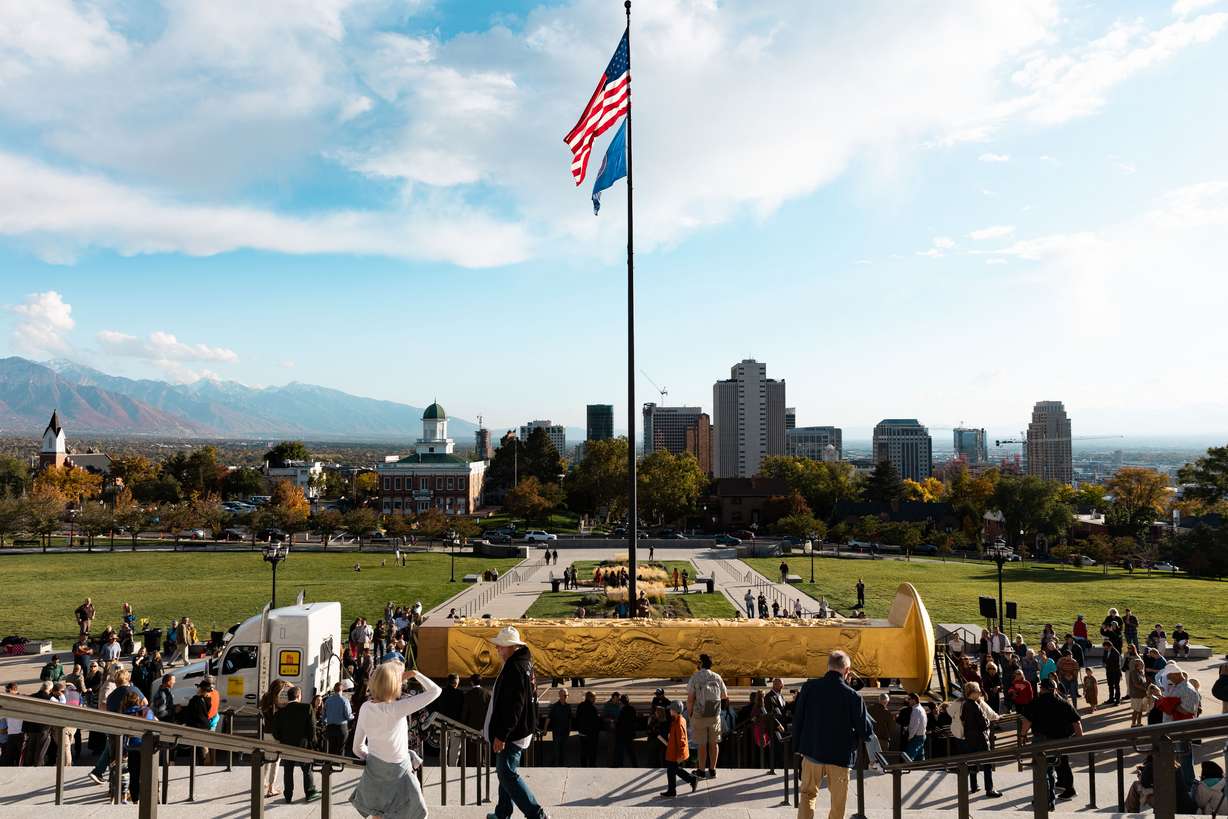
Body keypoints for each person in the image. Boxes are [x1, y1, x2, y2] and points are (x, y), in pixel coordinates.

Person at [350, 661, 440, 819]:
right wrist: (415, 674)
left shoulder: (365, 707)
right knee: (416, 813)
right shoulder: (396, 709)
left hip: (375, 771)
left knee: (378, 814)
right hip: (400, 772)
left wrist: (374, 759)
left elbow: (357, 748)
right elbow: (435, 691)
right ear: (392, 685)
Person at [792, 650, 874, 819]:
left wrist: (797, 747)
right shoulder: (853, 696)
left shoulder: (809, 688)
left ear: (828, 666)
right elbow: (865, 730)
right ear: (847, 670)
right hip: (840, 757)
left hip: (812, 752)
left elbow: (798, 719)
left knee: (807, 795)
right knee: (838, 803)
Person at [484, 626, 547, 819]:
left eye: (501, 646)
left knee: (506, 773)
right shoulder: (523, 663)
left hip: (512, 733)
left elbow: (514, 707)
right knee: (506, 772)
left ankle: (537, 814)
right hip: (518, 729)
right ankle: (503, 812)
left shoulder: (515, 668)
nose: (498, 650)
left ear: (511, 647)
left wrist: (502, 734)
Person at [1021, 677, 1082, 809]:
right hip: (1061, 740)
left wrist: (1022, 735)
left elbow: (1027, 721)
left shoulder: (1036, 702)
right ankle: (1067, 790)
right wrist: (1080, 739)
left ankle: (1046, 799)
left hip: (1041, 741)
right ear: (1054, 689)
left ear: (1042, 689)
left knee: (1043, 770)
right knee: (1060, 765)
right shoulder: (1063, 702)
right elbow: (1076, 722)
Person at [272, 686, 320, 803]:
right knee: (307, 770)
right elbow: (312, 728)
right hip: (303, 745)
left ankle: (288, 795)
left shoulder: (280, 712)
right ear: (298, 696)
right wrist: (313, 744)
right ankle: (309, 792)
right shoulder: (307, 708)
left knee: (288, 770)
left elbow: (275, 732)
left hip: (286, 746)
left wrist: (282, 739)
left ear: (288, 697)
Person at [687, 653, 728, 779]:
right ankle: (712, 769)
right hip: (714, 714)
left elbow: (690, 699)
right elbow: (724, 696)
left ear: (700, 664)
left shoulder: (695, 677)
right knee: (714, 743)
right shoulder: (717, 677)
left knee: (702, 744)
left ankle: (701, 770)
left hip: (699, 715)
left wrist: (690, 714)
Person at [960, 682, 1001, 798]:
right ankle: (990, 788)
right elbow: (984, 724)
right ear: (972, 693)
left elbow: (962, 719)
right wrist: (988, 721)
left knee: (973, 761)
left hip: (969, 737)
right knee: (987, 763)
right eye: (978, 691)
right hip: (980, 738)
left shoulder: (965, 704)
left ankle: (973, 785)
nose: (979, 693)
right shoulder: (975, 706)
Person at [658, 701, 699, 798]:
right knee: (672, 770)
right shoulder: (678, 719)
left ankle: (690, 781)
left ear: (675, 711)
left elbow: (682, 740)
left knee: (673, 769)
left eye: (671, 709)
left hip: (675, 752)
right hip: (673, 751)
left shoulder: (678, 722)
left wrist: (681, 755)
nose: (669, 711)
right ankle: (673, 790)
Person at [322, 682, 353, 758]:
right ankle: (338, 765)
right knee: (341, 748)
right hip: (341, 727)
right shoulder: (345, 701)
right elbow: (348, 716)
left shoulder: (328, 701)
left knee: (331, 748)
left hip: (330, 727)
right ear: (342, 690)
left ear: (334, 690)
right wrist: (353, 716)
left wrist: (325, 722)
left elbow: (324, 716)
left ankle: (330, 764)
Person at [545, 689, 571, 765]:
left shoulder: (568, 706)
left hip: (565, 732)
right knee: (556, 750)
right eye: (565, 695)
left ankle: (561, 765)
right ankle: (553, 764)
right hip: (557, 731)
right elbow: (548, 718)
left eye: (567, 695)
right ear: (560, 696)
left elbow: (569, 719)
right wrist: (545, 729)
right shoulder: (555, 706)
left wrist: (569, 729)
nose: (566, 697)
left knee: (563, 750)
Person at [575, 691, 601, 767]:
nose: (595, 699)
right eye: (594, 697)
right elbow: (596, 722)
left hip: (582, 733)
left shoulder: (580, 705)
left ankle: (583, 766)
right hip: (591, 735)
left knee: (583, 751)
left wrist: (579, 730)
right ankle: (592, 766)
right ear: (591, 698)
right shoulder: (593, 708)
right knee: (592, 751)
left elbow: (577, 718)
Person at [1126, 657, 1150, 727]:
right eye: (1141, 664)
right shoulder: (1134, 673)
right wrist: (1146, 689)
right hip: (1136, 694)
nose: (1143, 665)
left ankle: (1139, 723)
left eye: (1142, 664)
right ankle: (1133, 724)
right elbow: (1136, 684)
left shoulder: (1141, 672)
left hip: (1142, 694)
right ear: (1136, 665)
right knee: (1136, 710)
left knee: (1140, 710)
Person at [903, 692, 927, 762]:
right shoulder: (922, 709)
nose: (908, 701)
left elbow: (915, 725)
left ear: (914, 700)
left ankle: (908, 771)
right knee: (920, 757)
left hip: (916, 737)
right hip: (922, 735)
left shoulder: (916, 710)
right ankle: (921, 771)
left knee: (909, 757)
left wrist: (910, 737)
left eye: (909, 699)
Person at [1102, 640, 1123, 706]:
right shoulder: (1106, 651)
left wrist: (1107, 664)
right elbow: (1104, 658)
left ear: (1110, 646)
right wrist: (1104, 663)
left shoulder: (1116, 653)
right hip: (1109, 671)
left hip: (1115, 672)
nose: (1105, 648)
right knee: (1110, 685)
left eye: (1105, 647)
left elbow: (1116, 664)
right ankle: (1111, 698)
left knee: (1116, 686)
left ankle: (1117, 700)